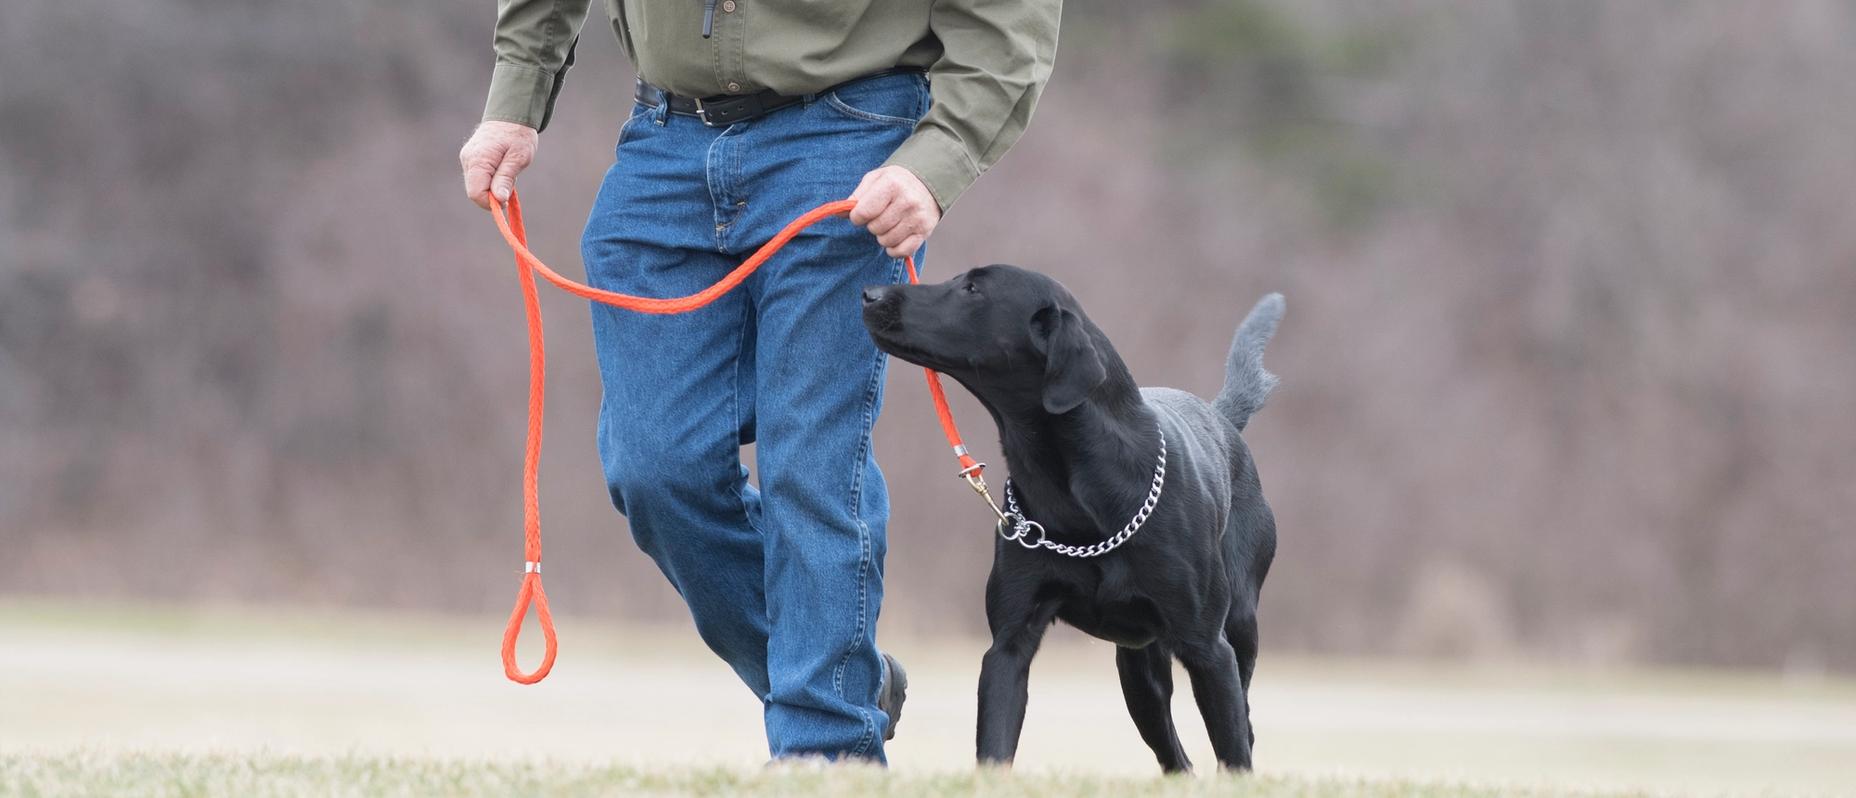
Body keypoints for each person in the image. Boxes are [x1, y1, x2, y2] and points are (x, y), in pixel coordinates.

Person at [458, 0, 1060, 763]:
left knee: (811, 464)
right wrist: (517, 97)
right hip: (662, 143)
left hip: (850, 135)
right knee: (655, 469)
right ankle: (847, 681)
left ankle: (827, 755)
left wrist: (936, 161)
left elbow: (1008, 19)